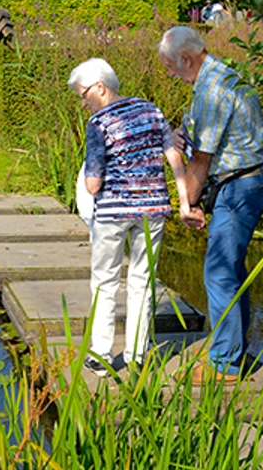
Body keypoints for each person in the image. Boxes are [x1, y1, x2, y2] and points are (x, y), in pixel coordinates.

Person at [157, 26, 263, 385]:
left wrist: (188, 203)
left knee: (220, 272)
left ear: (186, 59)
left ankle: (224, 365)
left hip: (239, 187)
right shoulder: (221, 73)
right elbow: (208, 130)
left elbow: (201, 162)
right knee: (232, 271)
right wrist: (181, 132)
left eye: (171, 67)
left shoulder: (210, 90)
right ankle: (231, 349)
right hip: (247, 181)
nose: (171, 75)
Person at [68, 58, 191, 378]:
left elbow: (93, 185)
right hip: (153, 211)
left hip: (113, 214)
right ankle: (137, 353)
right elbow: (174, 157)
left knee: (105, 283)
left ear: (100, 87)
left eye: (83, 95)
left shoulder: (99, 124)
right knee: (142, 281)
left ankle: (101, 355)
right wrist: (184, 201)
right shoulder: (152, 110)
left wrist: (90, 180)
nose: (83, 103)